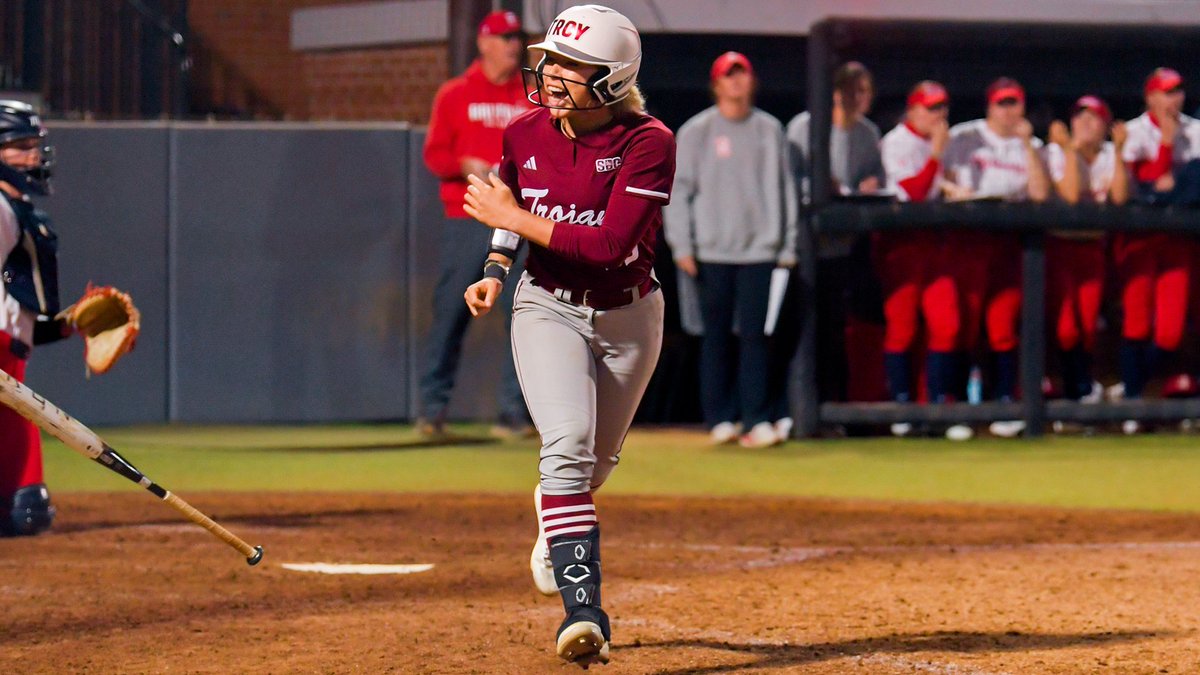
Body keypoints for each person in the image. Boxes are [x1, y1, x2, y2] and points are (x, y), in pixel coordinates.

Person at [460, 5, 673, 666]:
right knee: (569, 445)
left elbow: (610, 244)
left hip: (630, 312)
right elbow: (509, 204)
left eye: (571, 65)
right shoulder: (525, 132)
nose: (551, 73)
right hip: (547, 304)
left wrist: (513, 220)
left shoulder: (649, 141)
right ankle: (585, 614)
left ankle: (553, 509)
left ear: (611, 80)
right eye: (551, 59)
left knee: (594, 462)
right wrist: (496, 268)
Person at [663, 52, 798, 448]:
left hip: (760, 252)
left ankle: (755, 417)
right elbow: (678, 191)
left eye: (742, 75)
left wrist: (786, 244)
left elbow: (785, 189)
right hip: (711, 252)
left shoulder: (770, 130)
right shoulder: (696, 132)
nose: (736, 83)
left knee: (756, 337)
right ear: (716, 84)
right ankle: (720, 418)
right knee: (715, 338)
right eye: (729, 76)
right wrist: (681, 245)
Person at [419, 10, 533, 438]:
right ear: (483, 42)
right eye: (504, 37)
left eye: (516, 37)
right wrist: (461, 163)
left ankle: (513, 415)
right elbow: (434, 155)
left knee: (522, 317)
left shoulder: (531, 95)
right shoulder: (456, 93)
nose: (512, 45)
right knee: (450, 312)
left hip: (517, 220)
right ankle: (432, 410)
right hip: (467, 216)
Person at [943, 77, 1051, 438]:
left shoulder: (1032, 144)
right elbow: (940, 180)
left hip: (1010, 242)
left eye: (1014, 103)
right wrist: (954, 190)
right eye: (1002, 103)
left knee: (1003, 326)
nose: (1008, 111)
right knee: (963, 324)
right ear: (989, 106)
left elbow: (1039, 193)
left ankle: (1006, 401)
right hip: (968, 238)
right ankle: (954, 406)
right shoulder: (965, 136)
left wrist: (1026, 144)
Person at [877, 81, 971, 440]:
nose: (939, 115)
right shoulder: (896, 141)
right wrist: (936, 155)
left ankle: (936, 406)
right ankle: (902, 408)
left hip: (934, 241)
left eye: (942, 108)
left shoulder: (936, 142)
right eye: (931, 108)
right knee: (902, 328)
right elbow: (913, 192)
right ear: (913, 110)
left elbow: (933, 186)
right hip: (901, 241)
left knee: (947, 323)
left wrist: (948, 184)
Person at [787, 62, 884, 408]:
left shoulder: (868, 133)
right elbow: (790, 180)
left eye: (866, 90)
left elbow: (878, 180)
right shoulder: (804, 126)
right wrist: (819, 188)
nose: (863, 98)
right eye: (856, 90)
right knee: (802, 331)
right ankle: (797, 409)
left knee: (836, 332)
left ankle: (833, 409)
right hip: (805, 245)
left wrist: (870, 185)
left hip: (847, 246)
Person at [0, 101, 74, 536]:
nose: (32, 156)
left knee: (23, 503)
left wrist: (67, 324)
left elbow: (17, 308)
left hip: (11, 351)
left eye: (34, 146)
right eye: (19, 147)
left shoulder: (16, 208)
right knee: (24, 502)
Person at [1115, 68, 1200, 429]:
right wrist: (1165, 146)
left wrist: (1170, 185)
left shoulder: (1196, 130)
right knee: (1135, 324)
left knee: (1169, 331)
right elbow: (1147, 186)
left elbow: (1174, 187)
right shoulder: (1133, 132)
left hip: (1178, 240)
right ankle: (1133, 399)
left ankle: (1136, 387)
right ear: (1150, 97)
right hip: (1139, 238)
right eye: (1165, 92)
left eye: (1177, 91)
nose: (1173, 99)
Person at [1043, 96, 1129, 408]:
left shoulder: (1109, 154)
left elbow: (1119, 199)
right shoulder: (1055, 152)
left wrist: (1119, 151)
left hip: (1093, 248)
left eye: (1094, 117)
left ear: (1106, 125)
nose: (1085, 123)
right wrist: (1069, 150)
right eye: (1080, 116)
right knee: (1066, 327)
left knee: (1089, 325)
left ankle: (1085, 386)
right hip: (1059, 246)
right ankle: (1073, 388)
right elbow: (1070, 197)